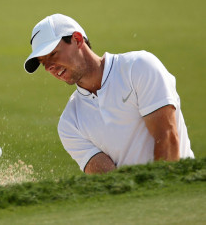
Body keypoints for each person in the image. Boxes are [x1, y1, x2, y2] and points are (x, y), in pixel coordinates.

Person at [24, 13, 194, 174]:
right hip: (139, 201)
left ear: (77, 39)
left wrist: (158, 199)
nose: (49, 67)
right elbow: (111, 180)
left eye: (53, 54)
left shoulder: (138, 67)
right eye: (42, 62)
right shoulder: (69, 124)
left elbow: (167, 139)